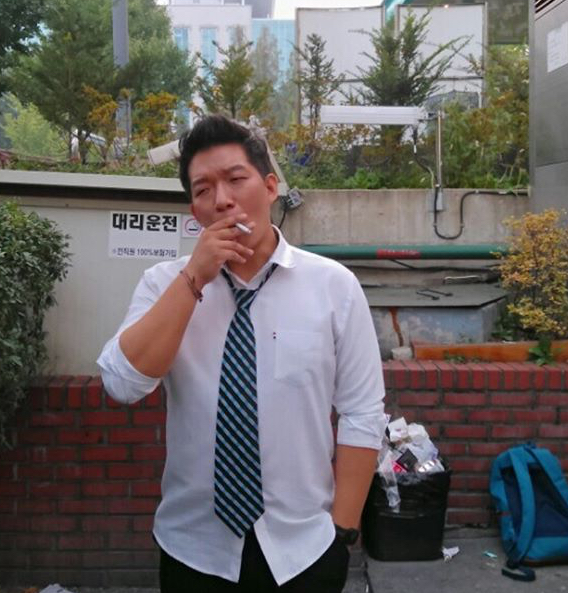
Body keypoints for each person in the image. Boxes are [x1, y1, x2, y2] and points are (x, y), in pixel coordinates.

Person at [97, 115, 385, 592]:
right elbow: (123, 384)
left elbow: (361, 411)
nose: (222, 200)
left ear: (270, 187)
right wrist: (195, 277)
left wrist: (343, 530)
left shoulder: (333, 286)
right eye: (203, 189)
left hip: (305, 549)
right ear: (194, 210)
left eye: (236, 179)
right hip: (194, 550)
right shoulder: (163, 284)